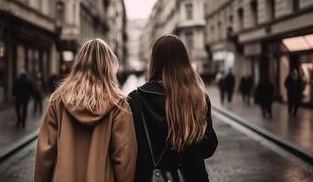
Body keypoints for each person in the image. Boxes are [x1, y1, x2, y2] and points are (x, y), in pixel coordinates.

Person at [34, 39, 137, 182]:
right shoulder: (118, 104)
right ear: (109, 66)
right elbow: (124, 160)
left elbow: (45, 154)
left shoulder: (58, 100)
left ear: (78, 64)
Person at [128, 35, 218, 182]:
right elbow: (208, 148)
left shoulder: (136, 98)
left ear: (154, 61)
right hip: (193, 176)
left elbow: (130, 149)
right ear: (185, 61)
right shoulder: (198, 97)